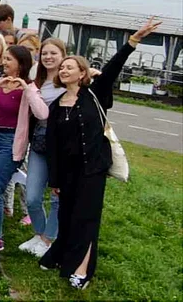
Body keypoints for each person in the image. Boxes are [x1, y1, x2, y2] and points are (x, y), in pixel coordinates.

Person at [40, 18, 158, 289]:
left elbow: (114, 67)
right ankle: (61, 256)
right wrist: (55, 180)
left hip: (92, 169)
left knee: (86, 218)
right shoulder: (58, 105)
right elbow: (53, 145)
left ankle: (82, 270)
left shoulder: (95, 93)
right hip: (67, 173)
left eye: (70, 66)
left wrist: (133, 41)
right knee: (66, 216)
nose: (64, 69)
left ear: (82, 73)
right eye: (62, 67)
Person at [0, 45, 47, 258]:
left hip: (11, 142)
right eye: (4, 59)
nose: (4, 63)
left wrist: (27, 89)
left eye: (9, 60)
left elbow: (42, 113)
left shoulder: (29, 88)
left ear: (20, 64)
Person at [19, 38, 67, 258]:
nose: (48, 57)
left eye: (54, 53)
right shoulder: (35, 81)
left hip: (63, 146)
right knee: (32, 196)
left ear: (63, 55)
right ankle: (39, 234)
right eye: (45, 53)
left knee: (58, 197)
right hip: (39, 142)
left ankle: (49, 239)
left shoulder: (68, 80)